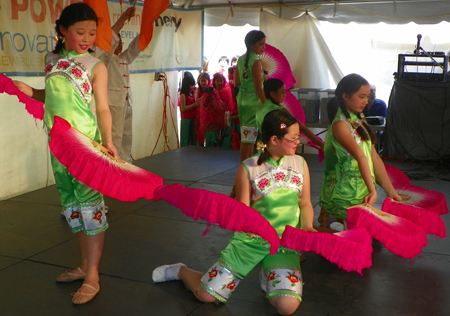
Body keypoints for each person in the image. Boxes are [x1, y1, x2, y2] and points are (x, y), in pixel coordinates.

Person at [152, 110, 316, 316]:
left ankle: (269, 273)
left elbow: (305, 203)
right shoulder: (248, 168)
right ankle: (181, 271)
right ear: (274, 139)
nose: (297, 142)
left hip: (284, 245)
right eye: (293, 138)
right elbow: (243, 214)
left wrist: (307, 227)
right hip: (250, 242)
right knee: (206, 296)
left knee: (287, 306)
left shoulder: (300, 164)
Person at [13, 3, 116, 304]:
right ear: (62, 31)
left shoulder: (96, 66)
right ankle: (84, 265)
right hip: (58, 148)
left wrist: (108, 140)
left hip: (85, 147)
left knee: (92, 209)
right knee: (75, 208)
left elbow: (102, 107)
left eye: (92, 33)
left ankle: (93, 275)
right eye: (80, 32)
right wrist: (27, 90)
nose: (87, 38)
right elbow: (51, 96)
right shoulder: (52, 60)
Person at [318, 74, 401, 229]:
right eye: (361, 96)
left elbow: (373, 157)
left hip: (358, 190)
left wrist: (390, 191)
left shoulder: (356, 121)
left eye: (367, 97)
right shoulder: (340, 125)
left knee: (359, 240)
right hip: (343, 192)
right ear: (345, 96)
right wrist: (372, 189)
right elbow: (361, 157)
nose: (366, 101)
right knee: (349, 242)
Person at [95, 7, 140, 163]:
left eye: (121, 43)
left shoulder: (124, 58)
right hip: (113, 103)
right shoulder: (105, 61)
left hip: (126, 103)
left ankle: (127, 165)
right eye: (117, 43)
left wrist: (147, 29)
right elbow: (108, 45)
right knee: (115, 138)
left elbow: (136, 48)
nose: (119, 46)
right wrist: (121, 21)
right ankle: (114, 167)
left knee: (127, 138)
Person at [256, 78, 324, 152]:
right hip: (278, 149)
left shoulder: (259, 110)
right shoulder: (281, 111)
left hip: (263, 148)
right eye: (282, 92)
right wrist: (320, 144)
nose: (284, 95)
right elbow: (301, 128)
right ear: (272, 94)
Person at [235, 30, 267, 162]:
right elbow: (259, 88)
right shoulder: (256, 62)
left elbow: (236, 82)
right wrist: (267, 105)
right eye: (261, 44)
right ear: (252, 45)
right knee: (249, 139)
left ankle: (246, 166)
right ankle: (244, 168)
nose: (263, 47)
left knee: (248, 137)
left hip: (243, 100)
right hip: (254, 102)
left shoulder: (241, 60)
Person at [212, 72, 233, 148]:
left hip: (225, 116)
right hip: (214, 117)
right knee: (215, 134)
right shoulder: (212, 92)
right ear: (214, 82)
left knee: (226, 133)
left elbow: (229, 105)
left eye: (221, 81)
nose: (220, 83)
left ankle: (225, 148)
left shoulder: (227, 92)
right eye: (218, 81)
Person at [179, 75, 200, 146]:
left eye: (193, 85)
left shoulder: (193, 94)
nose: (193, 87)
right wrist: (194, 105)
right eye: (191, 85)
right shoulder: (183, 95)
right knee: (186, 139)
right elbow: (183, 108)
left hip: (194, 118)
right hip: (186, 120)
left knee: (194, 138)